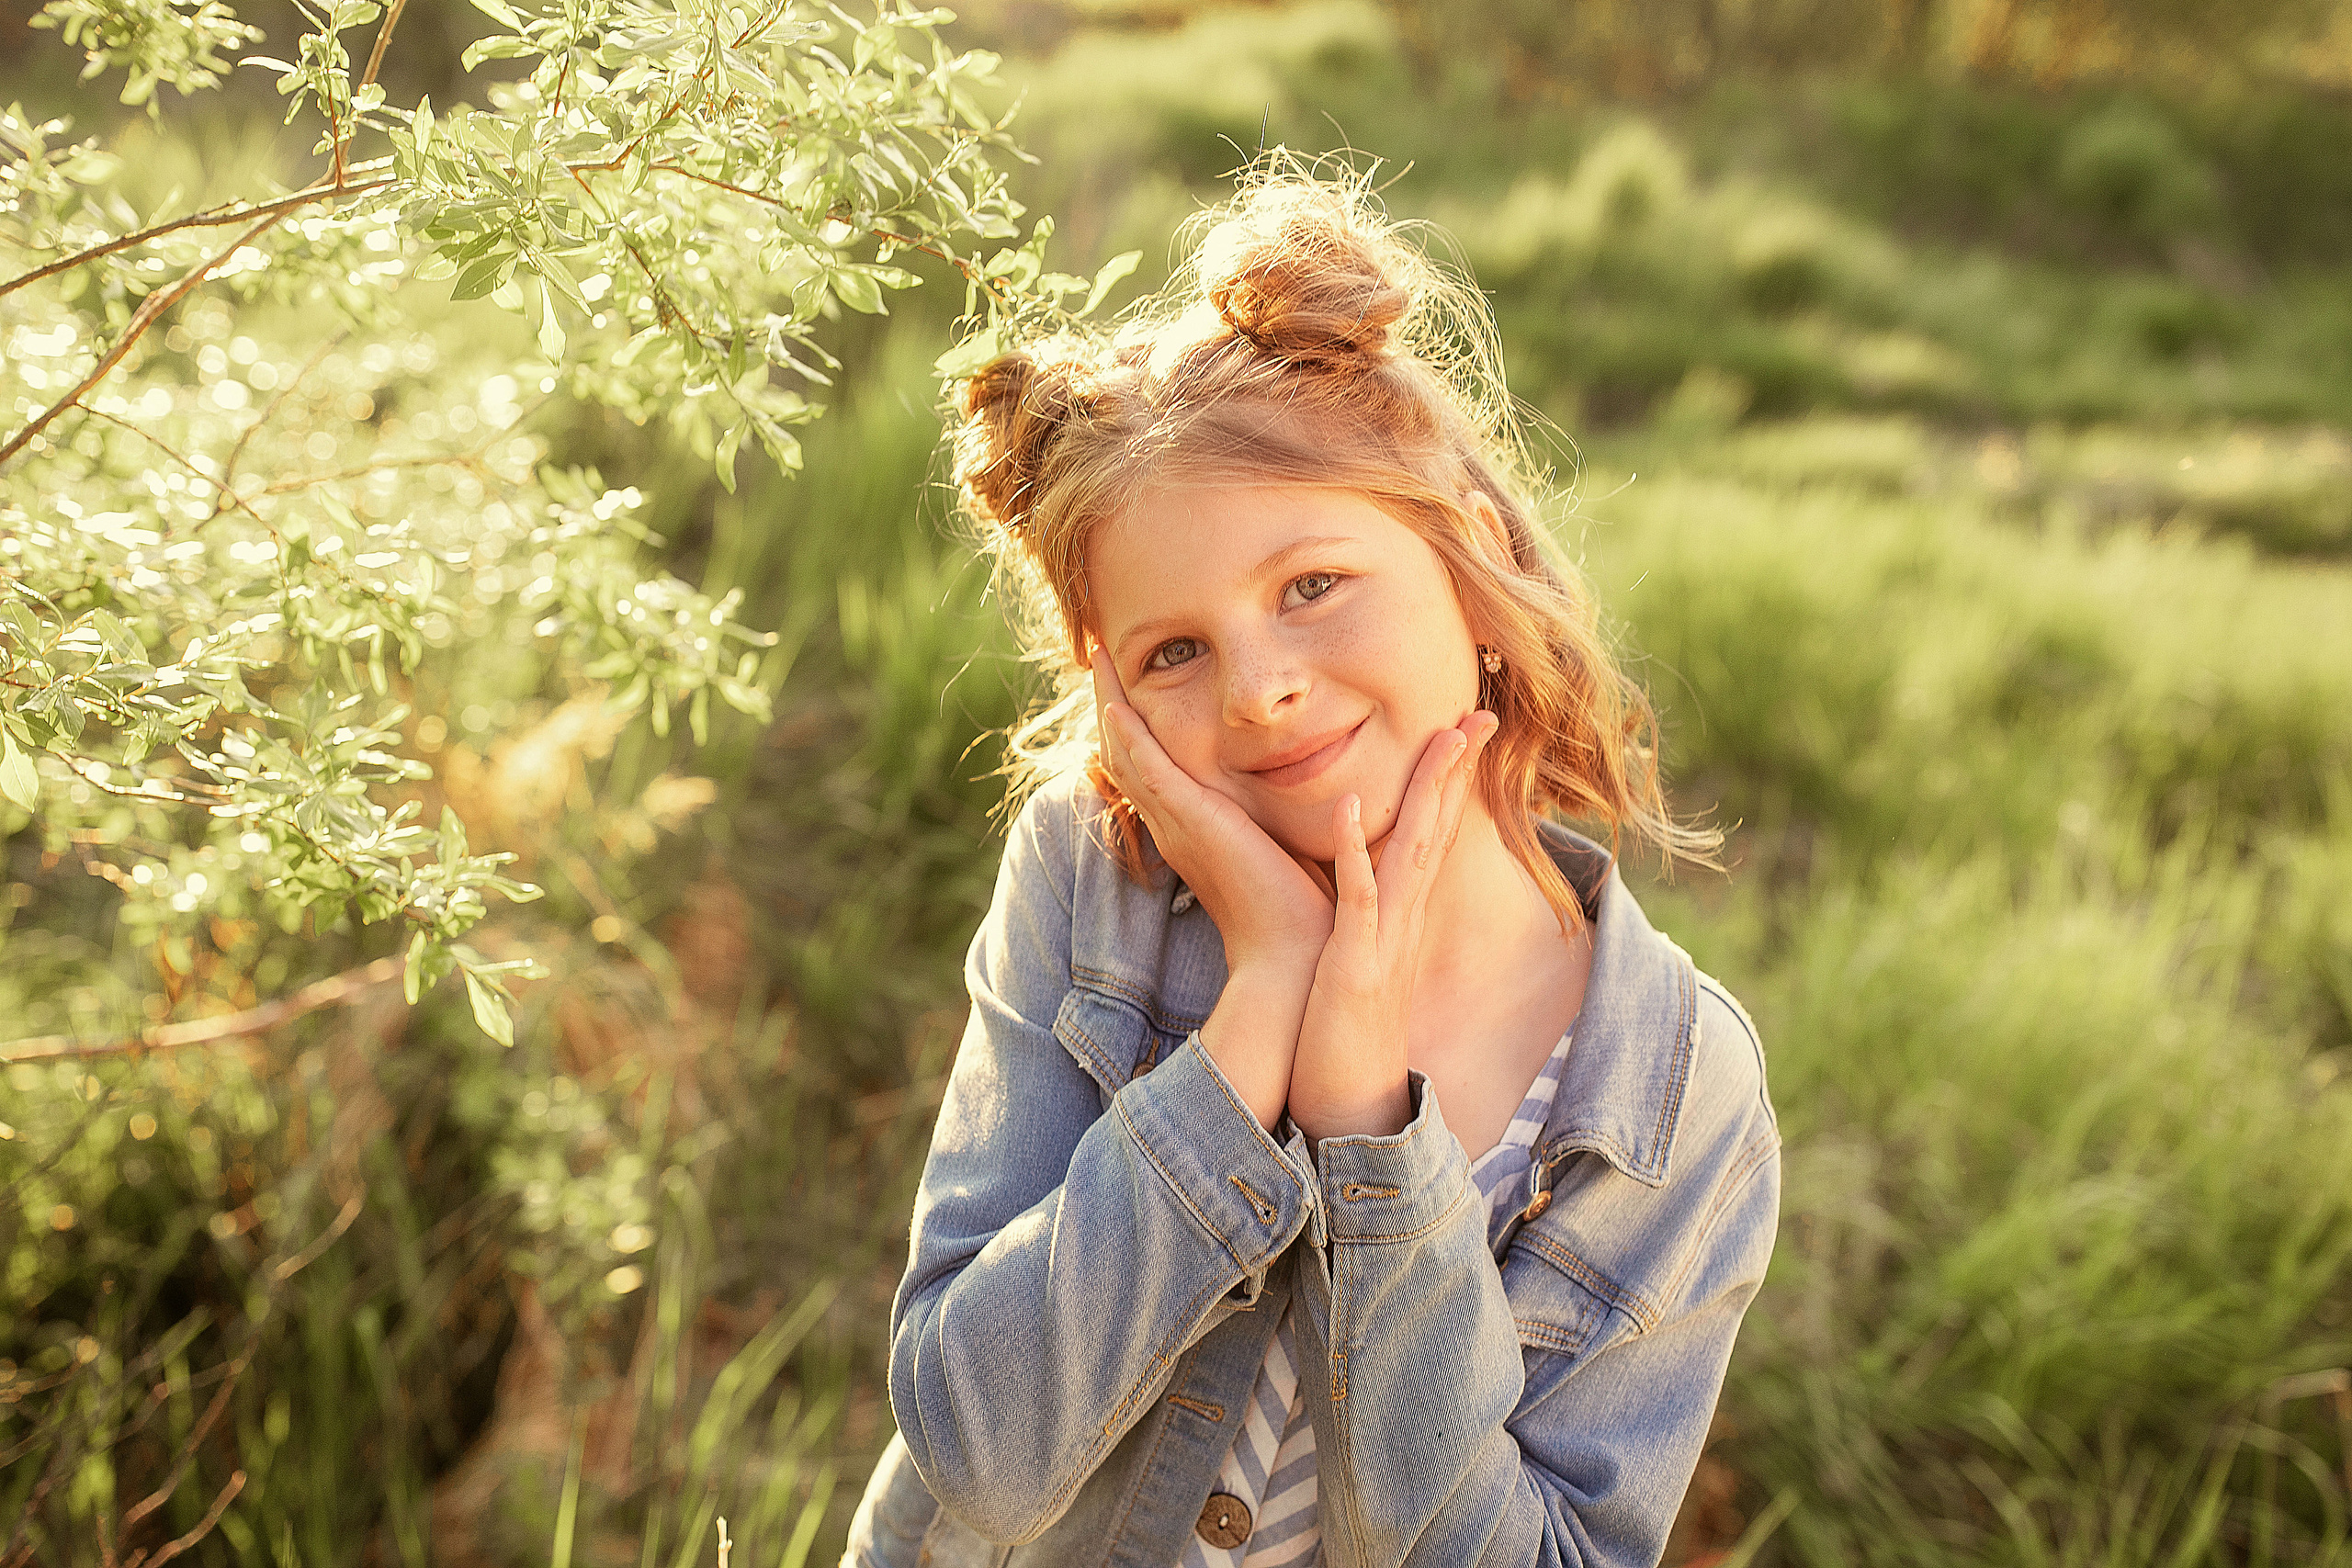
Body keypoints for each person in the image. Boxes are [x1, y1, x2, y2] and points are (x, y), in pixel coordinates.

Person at [842, 167, 1780, 1568]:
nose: (1260, 691)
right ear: (1115, 701)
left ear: (1467, 560)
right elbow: (974, 1448)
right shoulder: (1096, 882)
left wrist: (1363, 1132)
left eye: (1312, 586)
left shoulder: (1667, 1094)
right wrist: (1261, 1006)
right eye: (1175, 651)